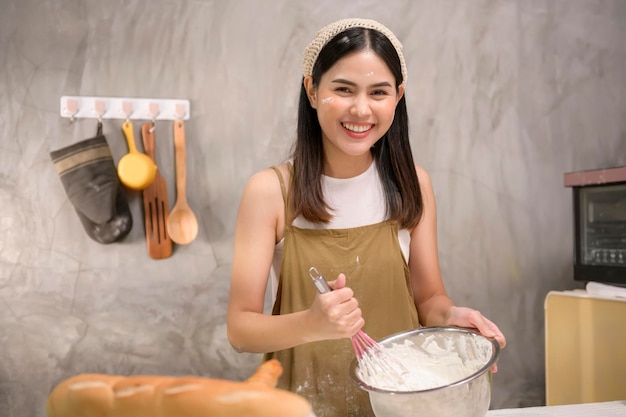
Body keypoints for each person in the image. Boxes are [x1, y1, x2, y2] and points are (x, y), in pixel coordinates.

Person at [227, 18, 506, 417]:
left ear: (398, 96)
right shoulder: (269, 192)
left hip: (402, 404)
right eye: (343, 89)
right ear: (312, 89)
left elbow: (428, 298)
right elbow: (240, 329)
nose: (361, 109)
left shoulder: (413, 183)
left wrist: (451, 317)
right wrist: (311, 323)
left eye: (379, 92)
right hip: (303, 404)